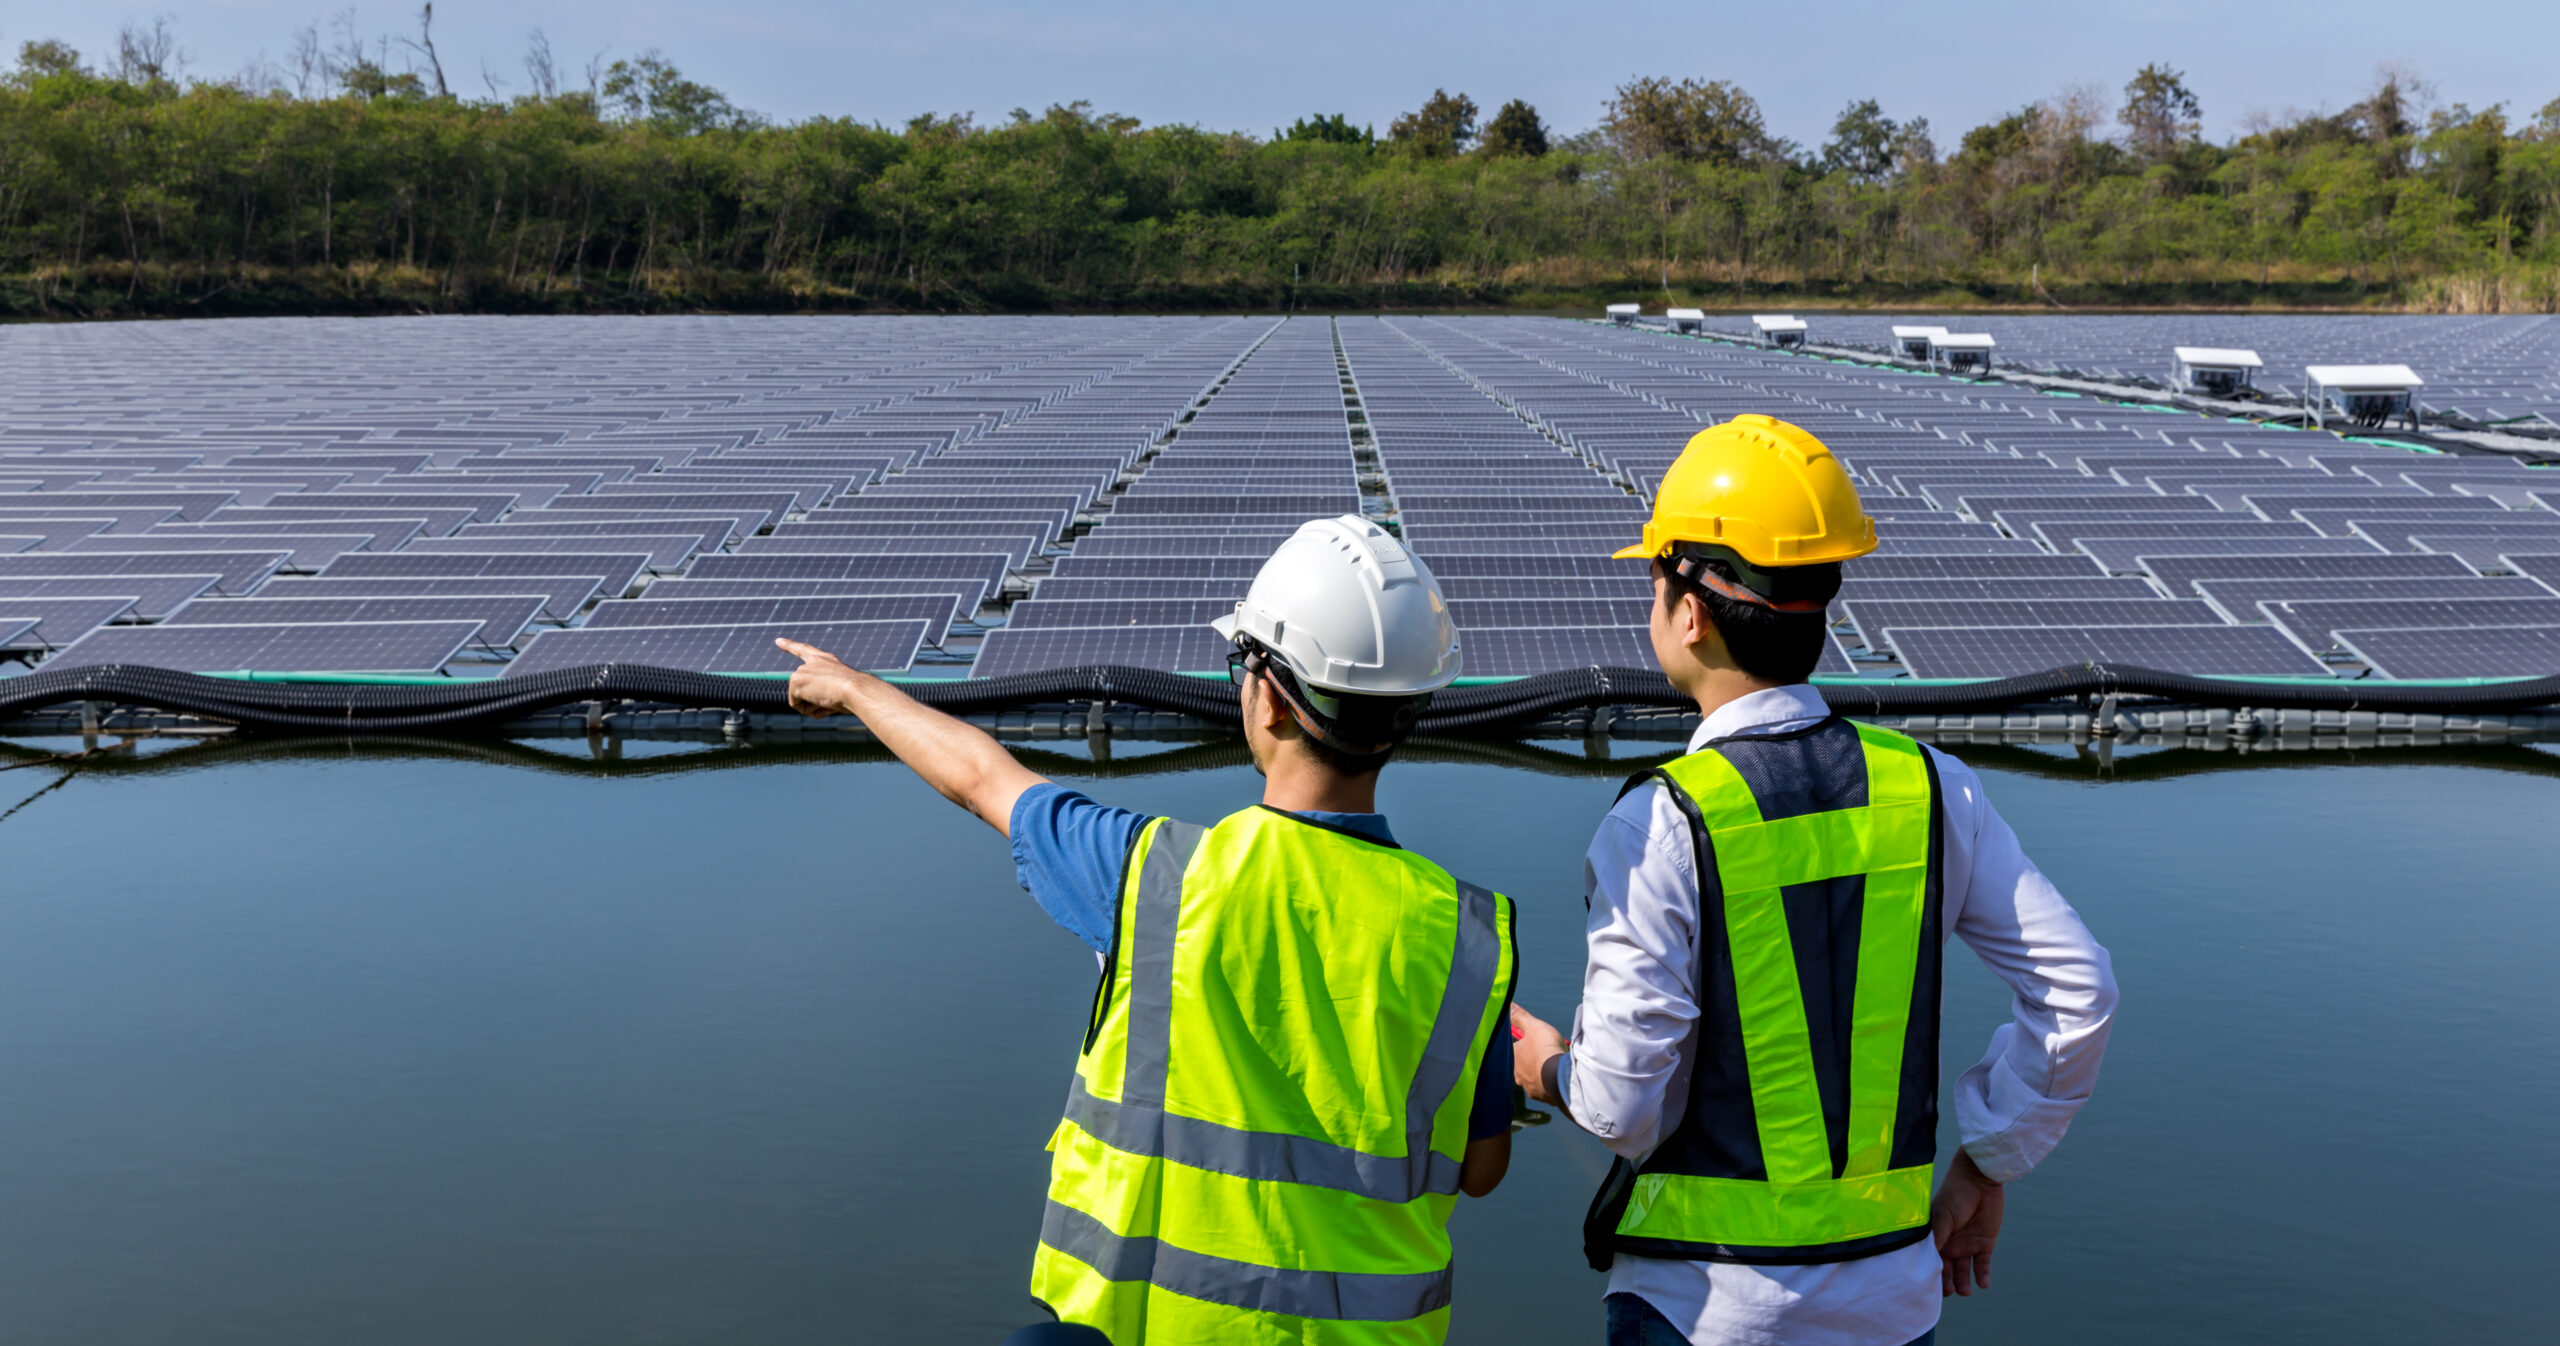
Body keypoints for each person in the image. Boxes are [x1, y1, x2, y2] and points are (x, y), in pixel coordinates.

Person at [777, 514, 1519, 1346]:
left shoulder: (1155, 876)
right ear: (1407, 713)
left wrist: (851, 688)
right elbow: (1481, 1168)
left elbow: (984, 777)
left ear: (1267, 694)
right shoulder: (1468, 933)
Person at [1507, 415, 2118, 1346]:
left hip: (1699, 1309)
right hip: (1893, 1303)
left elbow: (1622, 1109)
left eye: (1654, 577)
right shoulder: (1929, 787)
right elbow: (2078, 990)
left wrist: (1545, 1068)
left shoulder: (1665, 821)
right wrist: (1988, 1163)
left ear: (1691, 609)